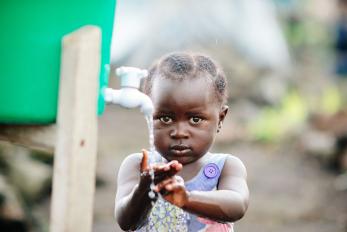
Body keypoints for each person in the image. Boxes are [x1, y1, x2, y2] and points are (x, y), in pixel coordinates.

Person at [115, 52, 249, 231]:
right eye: (165, 118)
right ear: (149, 115)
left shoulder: (225, 167)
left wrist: (187, 199)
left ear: (220, 119)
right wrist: (144, 189)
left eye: (195, 120)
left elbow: (237, 205)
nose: (179, 133)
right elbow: (126, 221)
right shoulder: (137, 166)